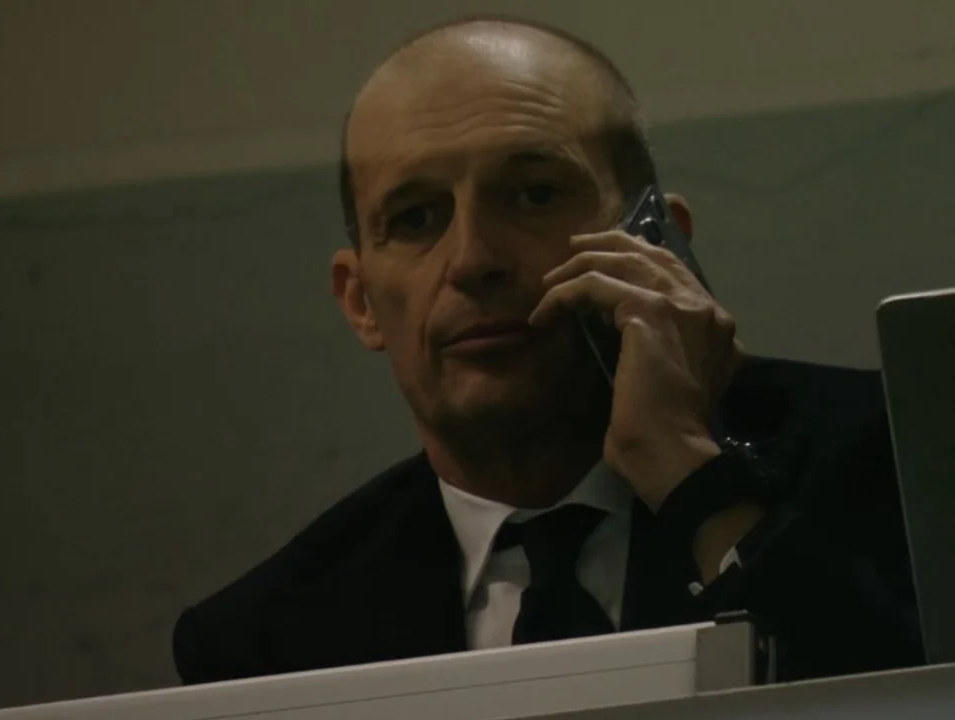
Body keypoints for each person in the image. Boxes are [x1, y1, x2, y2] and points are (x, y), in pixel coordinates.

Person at [172, 16, 923, 685]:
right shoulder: (265, 640)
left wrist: (690, 476)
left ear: (661, 249)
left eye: (534, 195)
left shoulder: (908, 464)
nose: (473, 260)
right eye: (417, 218)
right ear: (361, 302)